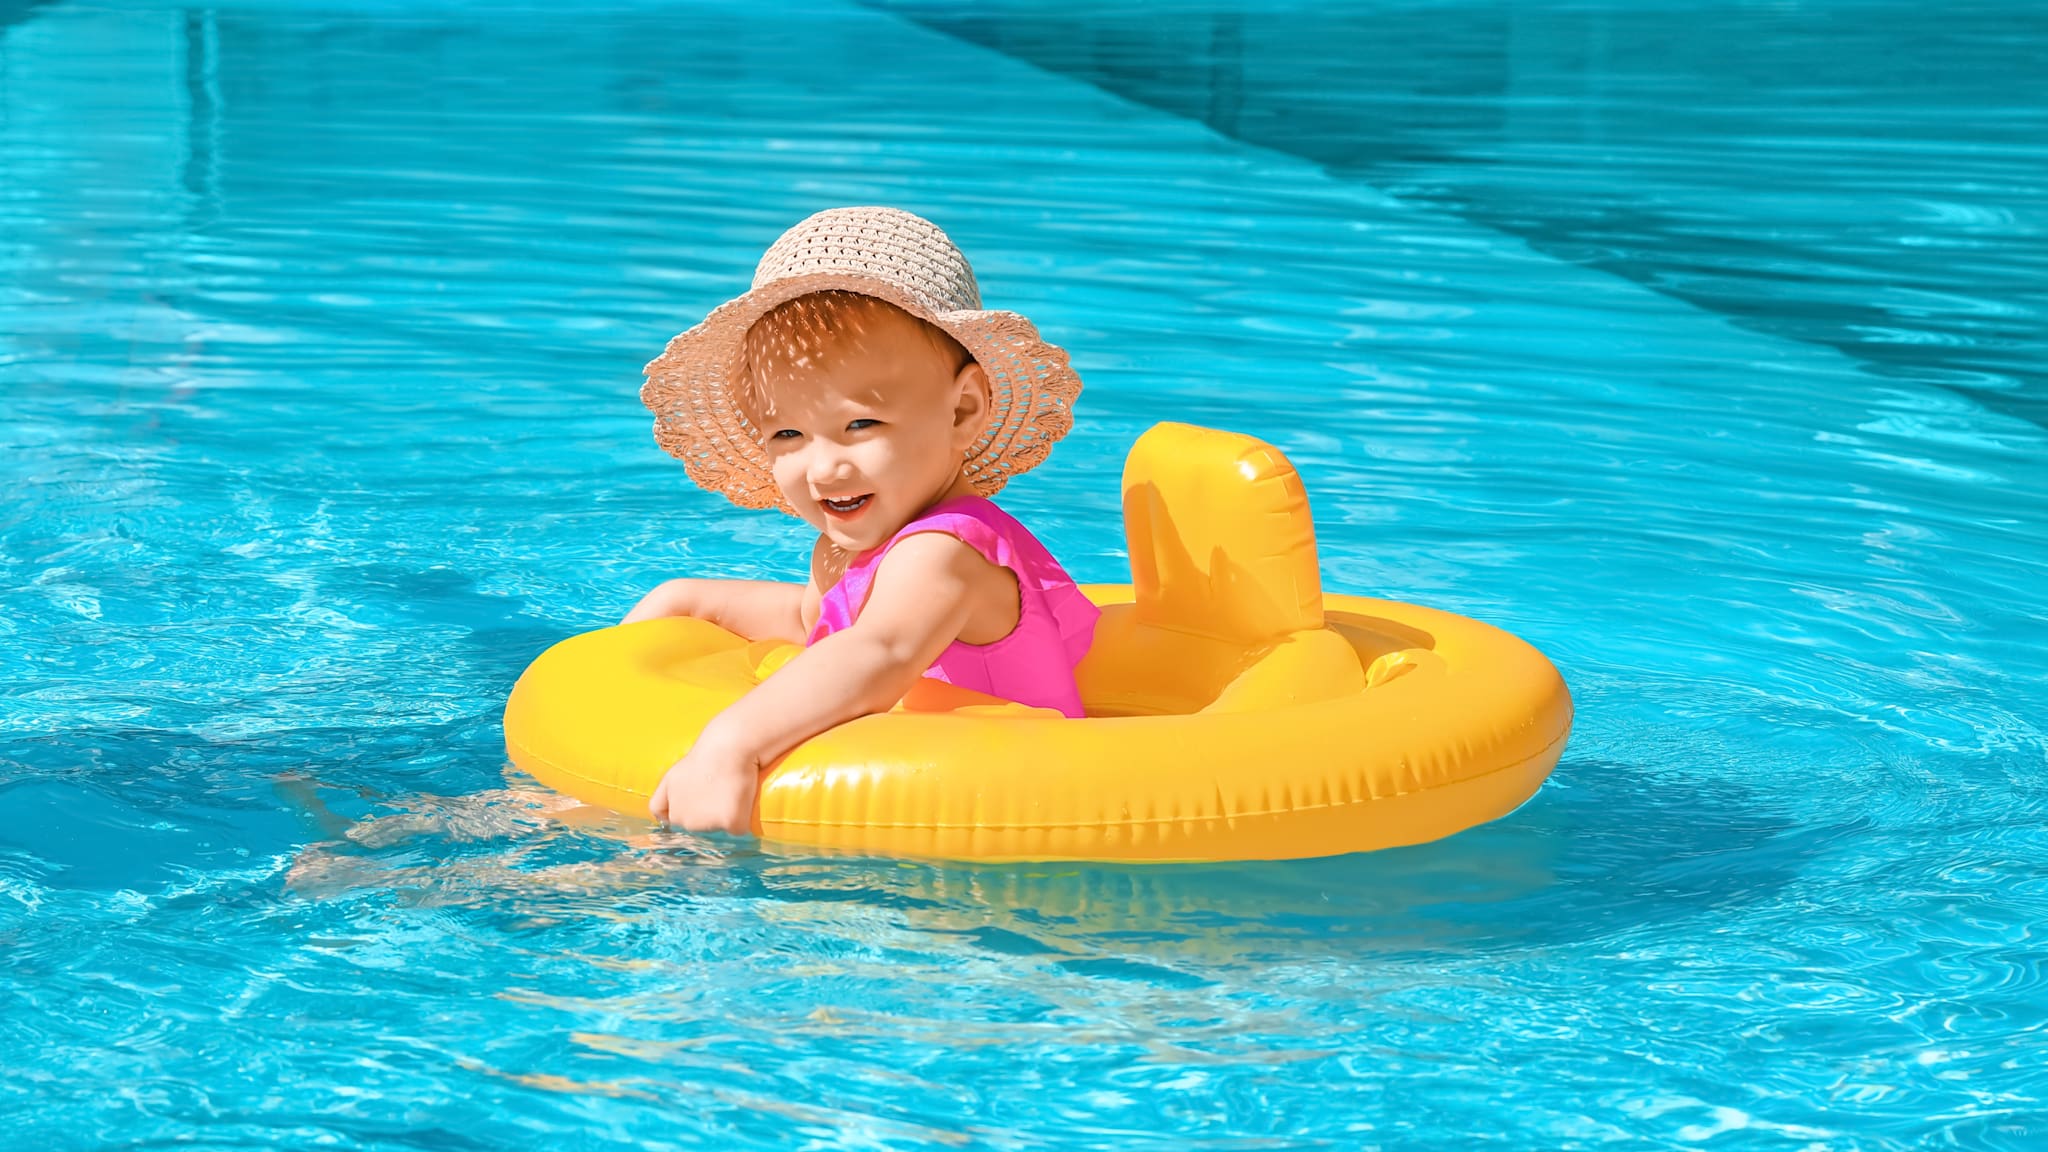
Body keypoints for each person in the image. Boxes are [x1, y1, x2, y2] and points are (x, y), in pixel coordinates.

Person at [624, 207, 1099, 834]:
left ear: (962, 410)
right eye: (788, 433)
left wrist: (731, 743)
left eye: (860, 425)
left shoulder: (950, 552)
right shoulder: (842, 549)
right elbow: (816, 624)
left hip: (993, 825)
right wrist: (682, 600)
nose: (823, 467)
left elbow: (879, 650)